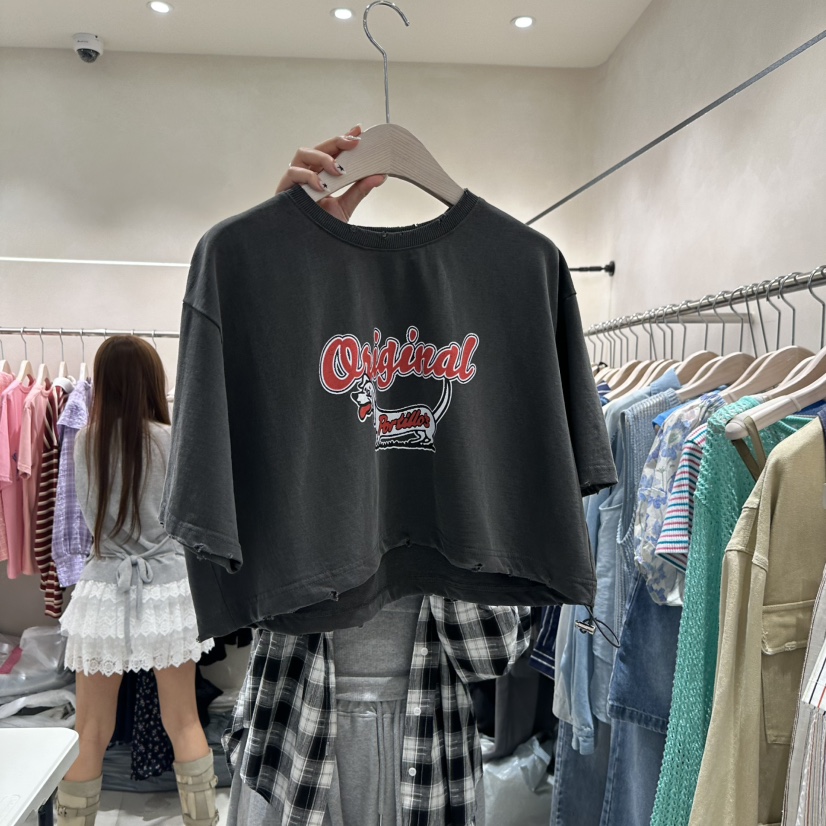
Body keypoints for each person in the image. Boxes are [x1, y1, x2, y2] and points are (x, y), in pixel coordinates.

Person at [222, 129, 533, 826]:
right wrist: (278, 273)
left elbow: (489, 651)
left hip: (428, 745)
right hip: (292, 729)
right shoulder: (292, 362)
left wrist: (449, 490)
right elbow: (238, 530)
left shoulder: (494, 360)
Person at [57, 336, 217, 826]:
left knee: (90, 729)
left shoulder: (85, 441)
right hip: (167, 585)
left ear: (103, 382)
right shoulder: (172, 440)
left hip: (105, 587)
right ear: (152, 381)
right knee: (183, 720)